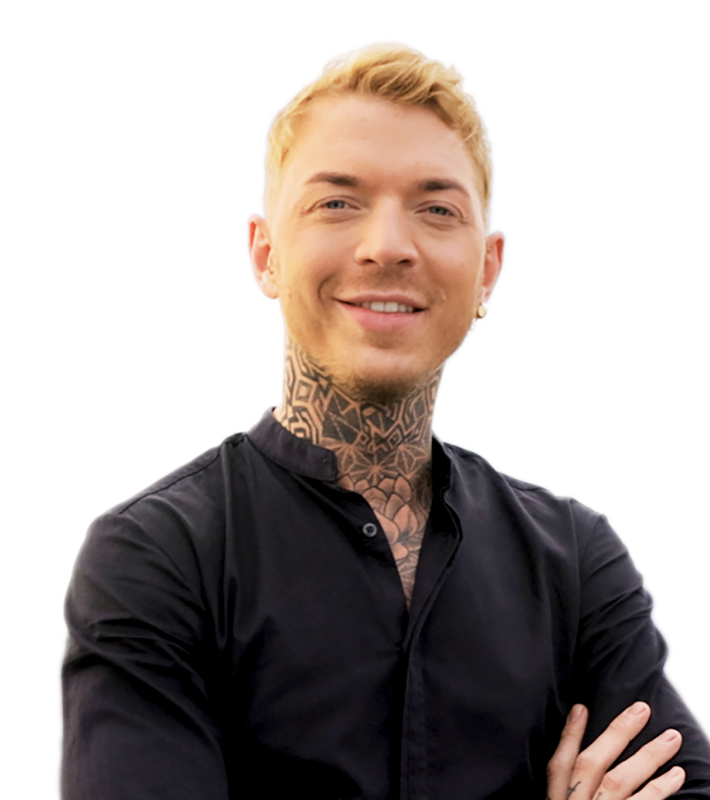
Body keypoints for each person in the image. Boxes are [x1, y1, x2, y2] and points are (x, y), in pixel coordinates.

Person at [57, 38, 709, 799]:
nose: (389, 247)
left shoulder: (578, 559)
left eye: (436, 210)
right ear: (264, 254)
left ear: (488, 271)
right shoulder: (154, 555)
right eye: (338, 203)